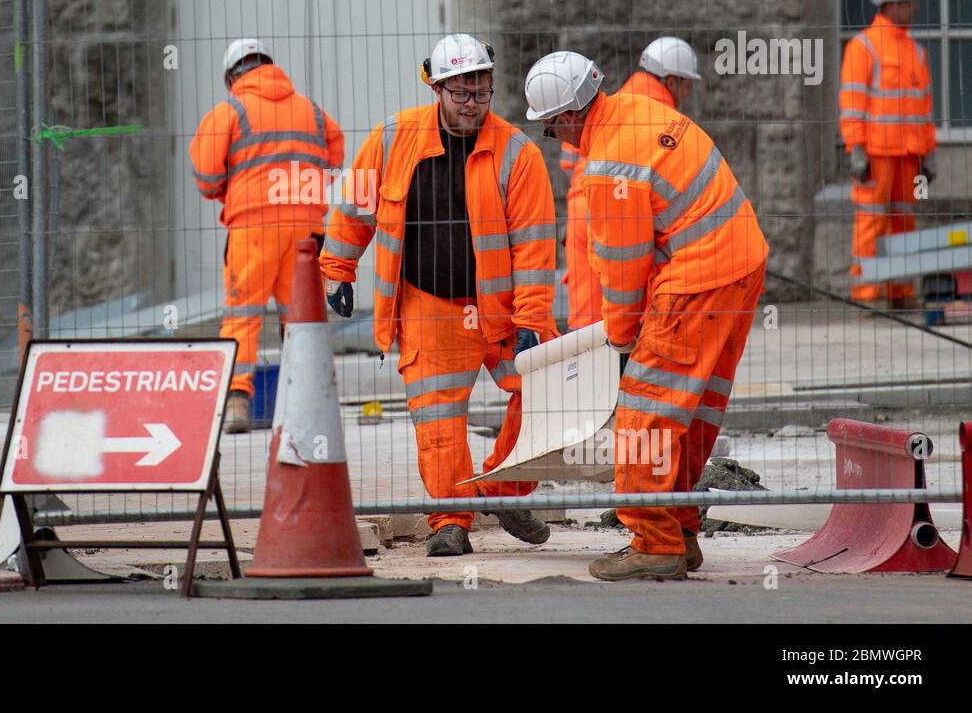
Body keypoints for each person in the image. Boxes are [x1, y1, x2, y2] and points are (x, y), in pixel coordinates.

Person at [525, 50, 767, 580]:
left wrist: (620, 341)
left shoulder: (608, 166)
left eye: (550, 130)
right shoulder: (639, 110)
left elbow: (622, 268)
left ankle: (655, 543)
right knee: (691, 409)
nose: (556, 139)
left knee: (644, 414)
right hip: (740, 264)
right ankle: (679, 530)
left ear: (567, 117)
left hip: (699, 278)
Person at [320, 33, 560, 557]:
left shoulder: (517, 154)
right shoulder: (392, 139)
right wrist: (337, 269)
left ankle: (501, 490)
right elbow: (356, 206)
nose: (472, 105)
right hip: (428, 306)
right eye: (461, 93)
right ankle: (450, 521)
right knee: (438, 419)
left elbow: (536, 246)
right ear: (436, 87)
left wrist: (532, 318)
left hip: (499, 308)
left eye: (481, 93)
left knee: (549, 392)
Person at [190, 38, 344, 433]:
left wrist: (233, 189)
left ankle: (237, 401)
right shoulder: (311, 110)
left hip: (253, 227)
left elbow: (206, 175)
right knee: (301, 317)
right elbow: (335, 156)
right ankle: (310, 401)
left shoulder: (230, 111)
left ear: (231, 77)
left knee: (243, 312)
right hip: (307, 232)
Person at [561, 37, 700, 329]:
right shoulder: (662, 115)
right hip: (615, 207)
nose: (687, 94)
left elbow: (568, 160)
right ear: (673, 81)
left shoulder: (619, 99)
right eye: (687, 85)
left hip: (581, 205)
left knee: (587, 319)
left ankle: (590, 374)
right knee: (628, 316)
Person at [840, 0, 934, 309]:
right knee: (871, 223)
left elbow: (924, 106)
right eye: (908, 3)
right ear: (890, 5)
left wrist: (929, 152)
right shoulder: (862, 47)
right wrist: (856, 149)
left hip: (908, 155)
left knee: (903, 224)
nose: (914, 8)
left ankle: (900, 292)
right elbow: (852, 103)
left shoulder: (915, 51)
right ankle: (866, 295)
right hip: (876, 155)